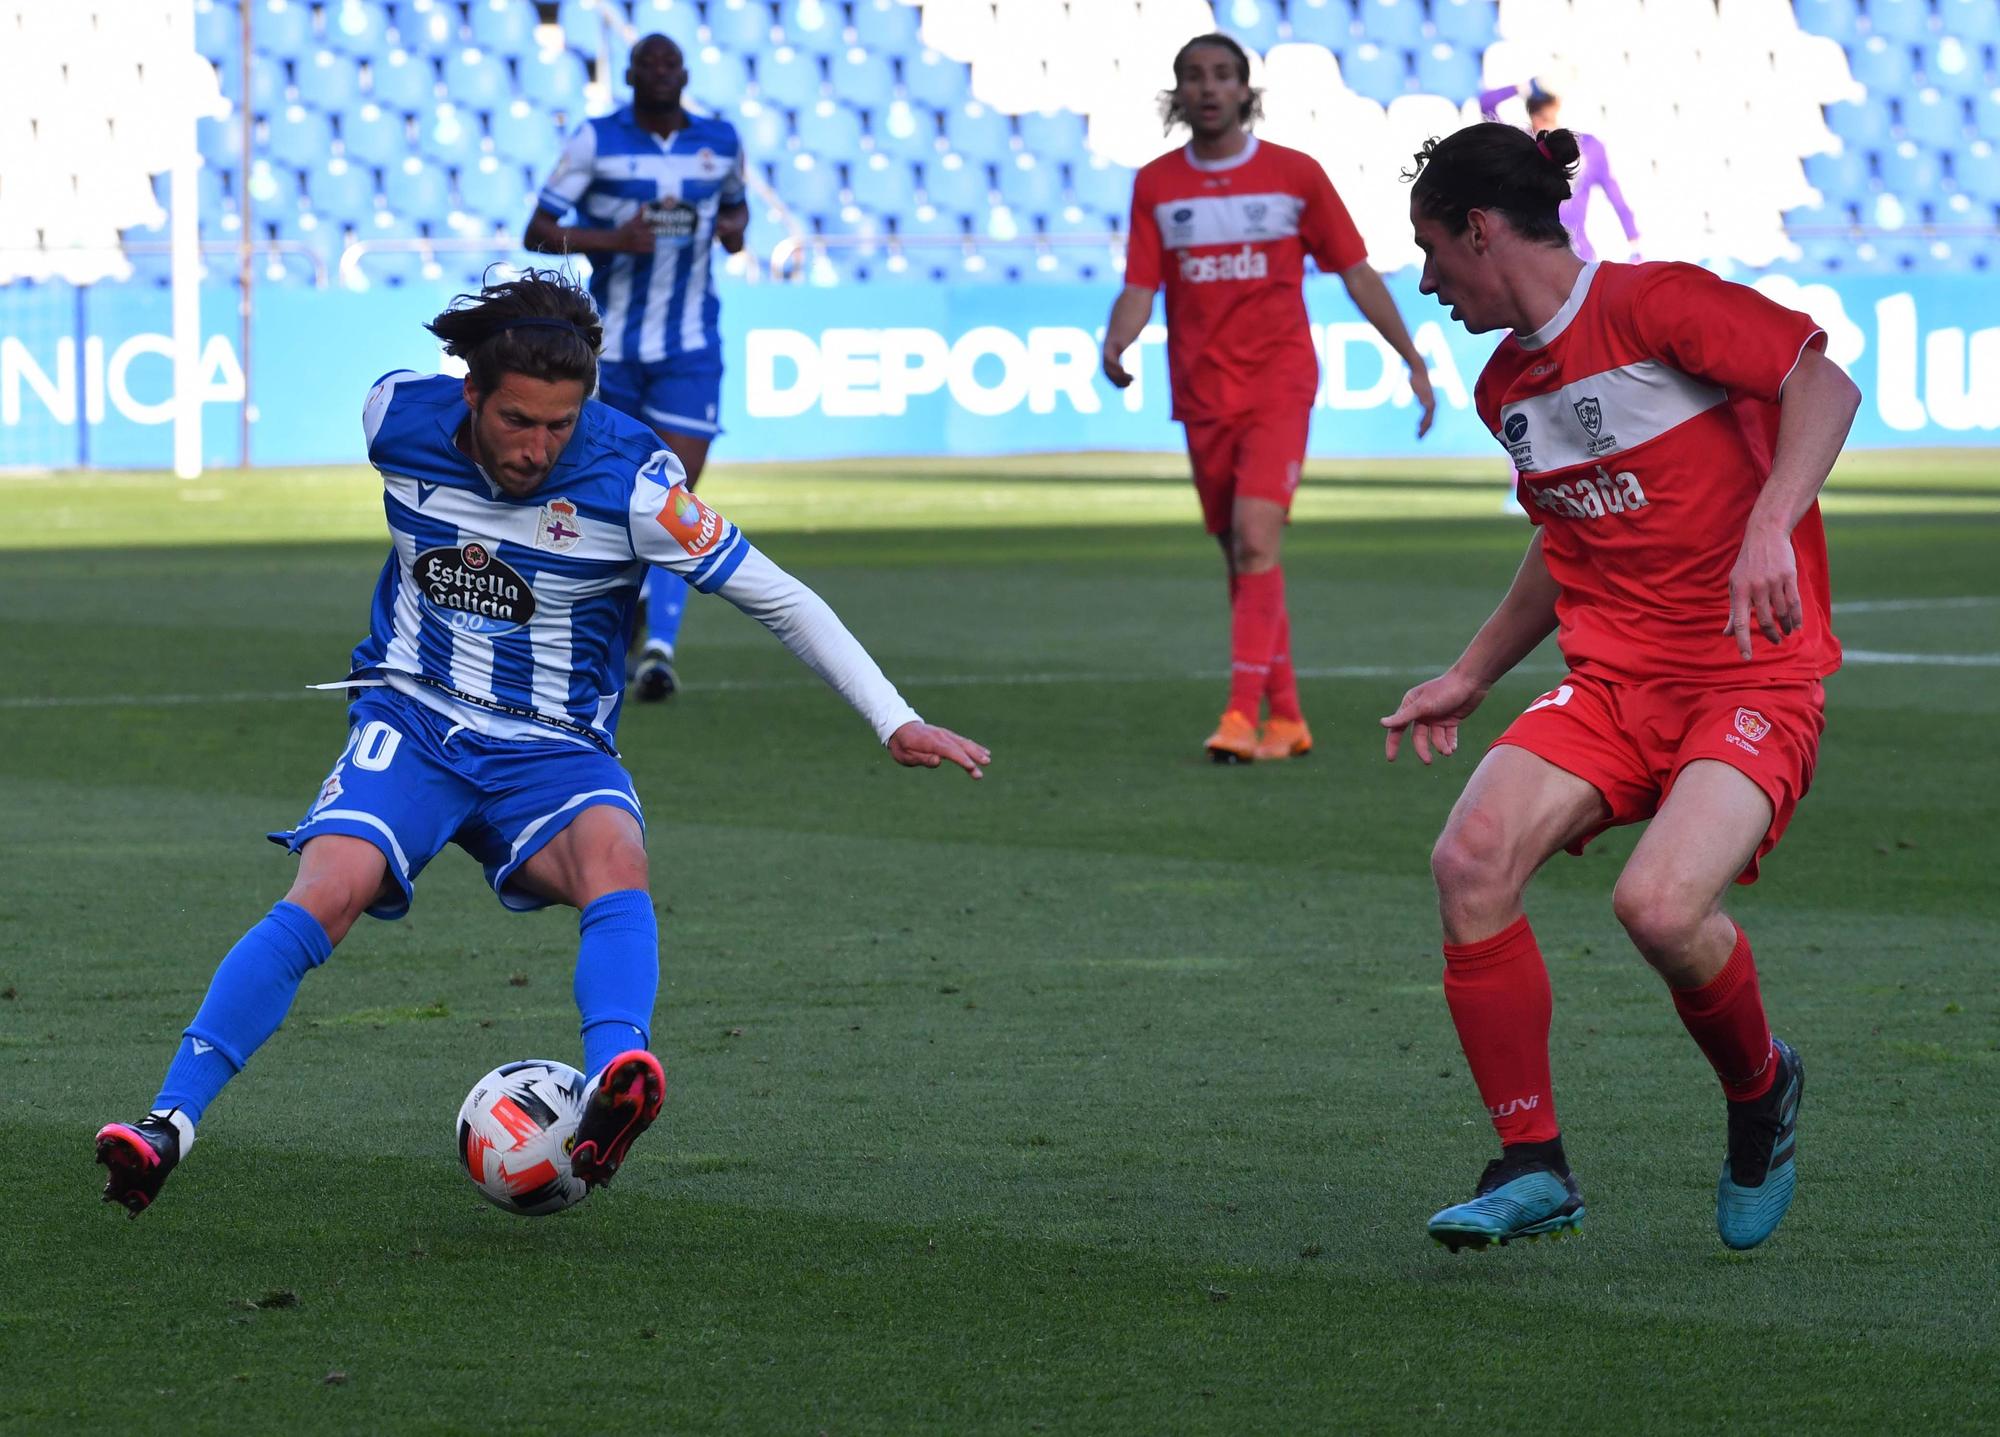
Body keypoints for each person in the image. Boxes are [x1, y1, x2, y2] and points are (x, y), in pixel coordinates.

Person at [94, 273, 989, 1217]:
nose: (538, 447)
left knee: (617, 861)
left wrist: (894, 717)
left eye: (561, 425)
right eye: (518, 420)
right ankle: (167, 1127)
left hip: (554, 747)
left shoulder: (638, 484)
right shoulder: (395, 418)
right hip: (416, 719)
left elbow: (782, 597)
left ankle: (613, 1087)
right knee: (329, 888)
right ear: (471, 393)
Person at [1381, 123, 1859, 1252]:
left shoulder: (1653, 305)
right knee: (1468, 860)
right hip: (1611, 685)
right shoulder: (1507, 384)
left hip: (1749, 671)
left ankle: (1759, 1088)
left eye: (1430, 250)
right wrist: (1467, 674)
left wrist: (1765, 529)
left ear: (1479, 229)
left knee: (1655, 909)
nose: (1425, 280)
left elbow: (1822, 389)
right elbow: (1562, 544)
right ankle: (1532, 1164)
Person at [1101, 33, 1436, 764]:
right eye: (1193, 76)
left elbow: (1357, 272)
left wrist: (1412, 358)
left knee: (1255, 538)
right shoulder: (1156, 184)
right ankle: (1287, 718)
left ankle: (1238, 716)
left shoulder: (1295, 175)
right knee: (1242, 554)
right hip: (1201, 393)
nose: (1208, 88)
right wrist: (1116, 342)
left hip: (1279, 385)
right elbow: (1139, 285)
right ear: (1177, 93)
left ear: (1246, 90)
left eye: (1223, 75)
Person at [525, 33, 749, 704]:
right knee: (604, 499)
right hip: (610, 350)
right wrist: (611, 239)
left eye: (670, 62)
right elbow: (538, 231)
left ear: (684, 75)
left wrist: (735, 229)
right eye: (647, 63)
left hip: (688, 350)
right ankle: (612, 625)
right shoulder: (597, 141)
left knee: (674, 499)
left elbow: (736, 206)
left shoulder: (720, 140)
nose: (659, 71)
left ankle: (658, 650)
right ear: (628, 74)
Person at [1479, 80, 1640, 262]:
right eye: (1536, 114)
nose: (1541, 123)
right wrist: (1525, 86)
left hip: (1576, 252)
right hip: (1532, 255)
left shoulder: (1588, 146)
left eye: (1547, 116)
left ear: (1558, 108)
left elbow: (1614, 193)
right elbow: (1486, 105)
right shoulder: (1522, 145)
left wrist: (1634, 242)